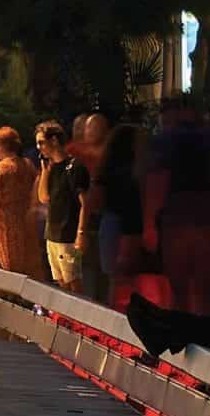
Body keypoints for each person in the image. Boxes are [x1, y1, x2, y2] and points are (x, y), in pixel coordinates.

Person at [146, 98, 210, 314]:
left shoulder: (163, 140)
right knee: (209, 288)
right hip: (208, 217)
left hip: (175, 218)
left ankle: (183, 336)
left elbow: (156, 183)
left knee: (179, 289)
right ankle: (208, 338)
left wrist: (150, 224)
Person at [34, 121, 91, 291]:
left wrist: (81, 233)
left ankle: (79, 316)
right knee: (61, 282)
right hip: (52, 233)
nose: (39, 147)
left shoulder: (74, 167)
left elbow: (85, 203)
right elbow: (43, 197)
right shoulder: (51, 168)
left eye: (41, 142)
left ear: (54, 141)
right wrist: (45, 172)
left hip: (68, 234)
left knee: (73, 281)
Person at [98, 123, 149, 307]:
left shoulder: (106, 169)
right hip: (129, 227)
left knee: (114, 282)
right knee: (130, 282)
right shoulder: (134, 173)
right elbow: (134, 206)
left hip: (108, 223)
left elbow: (97, 200)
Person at [0, 127, 39, 276]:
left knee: (10, 267)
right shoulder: (27, 165)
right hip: (27, 221)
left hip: (5, 225)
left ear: (2, 146)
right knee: (30, 266)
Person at [72, 112, 112, 300]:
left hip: (99, 225)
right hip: (97, 224)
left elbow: (87, 200)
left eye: (90, 128)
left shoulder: (102, 160)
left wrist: (81, 231)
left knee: (96, 278)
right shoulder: (86, 158)